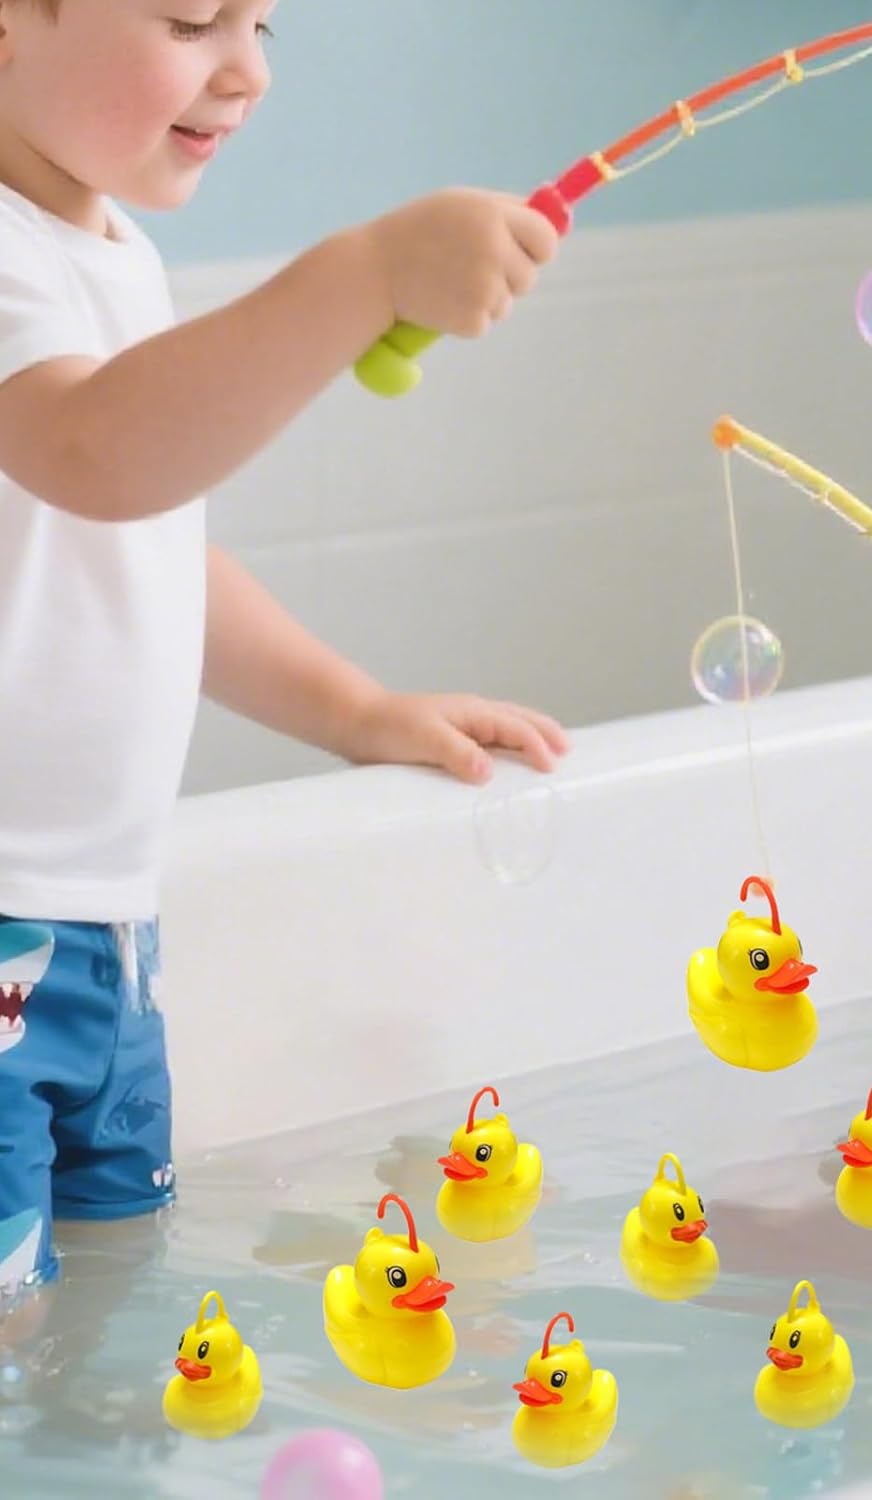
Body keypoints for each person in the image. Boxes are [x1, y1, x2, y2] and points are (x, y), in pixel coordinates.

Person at [0, 0, 568, 1294]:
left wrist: (353, 708)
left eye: (264, 24)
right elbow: (97, 455)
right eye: (193, 19)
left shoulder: (114, 257)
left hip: (107, 929)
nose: (248, 70)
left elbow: (145, 552)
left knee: (110, 1297)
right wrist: (361, 278)